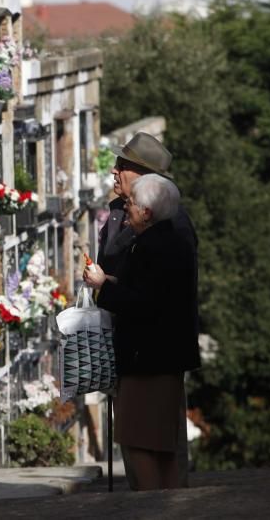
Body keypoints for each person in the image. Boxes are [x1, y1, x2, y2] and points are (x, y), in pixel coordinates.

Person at [84, 174, 200, 490]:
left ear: (146, 212)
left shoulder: (151, 246)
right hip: (166, 356)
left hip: (148, 359)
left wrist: (101, 288)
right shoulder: (170, 240)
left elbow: (144, 303)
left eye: (132, 204)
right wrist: (110, 282)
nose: (127, 208)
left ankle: (152, 504)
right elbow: (155, 292)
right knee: (162, 444)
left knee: (136, 440)